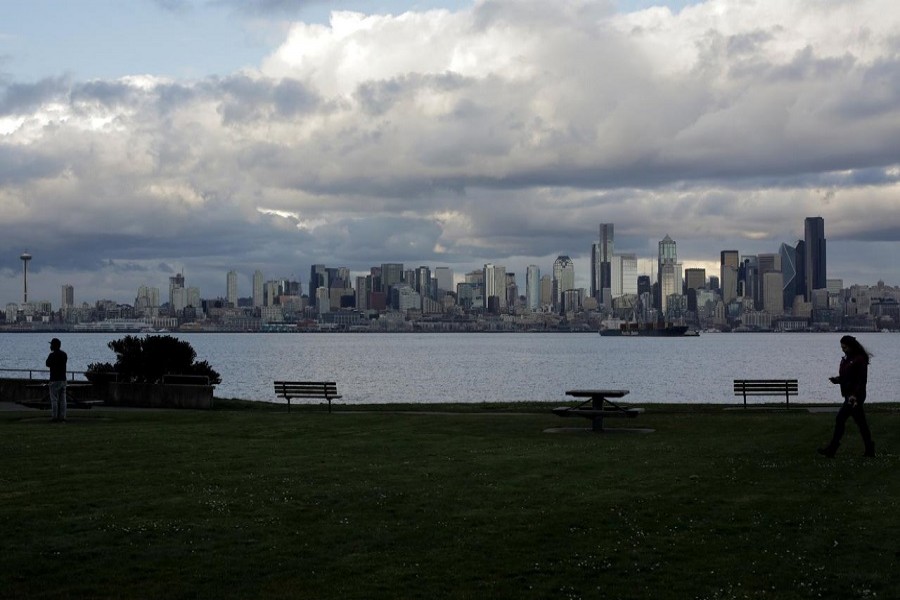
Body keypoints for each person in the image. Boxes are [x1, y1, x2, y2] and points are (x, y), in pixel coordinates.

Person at [818, 335, 875, 458]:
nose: (842, 349)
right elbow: (846, 377)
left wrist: (854, 395)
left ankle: (832, 448)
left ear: (850, 346)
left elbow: (861, 380)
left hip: (855, 396)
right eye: (842, 347)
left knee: (841, 419)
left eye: (844, 347)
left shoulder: (859, 359)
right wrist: (837, 380)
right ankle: (869, 448)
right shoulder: (847, 359)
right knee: (861, 423)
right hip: (849, 395)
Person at [45, 338, 68, 423]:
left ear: (54, 346)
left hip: (54, 380)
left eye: (51, 345)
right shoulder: (64, 354)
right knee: (63, 399)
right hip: (63, 379)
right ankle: (62, 417)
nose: (50, 346)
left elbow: (47, 364)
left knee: (54, 399)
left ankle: (54, 417)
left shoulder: (52, 355)